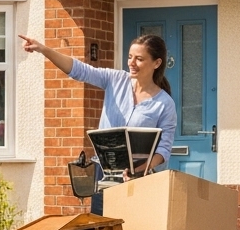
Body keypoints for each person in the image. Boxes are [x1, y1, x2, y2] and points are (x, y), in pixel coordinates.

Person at [18, 33, 177, 214]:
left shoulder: (165, 104)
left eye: (139, 59)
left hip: (138, 180)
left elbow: (164, 149)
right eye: (130, 57)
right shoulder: (115, 79)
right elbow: (79, 70)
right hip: (104, 174)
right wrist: (43, 49)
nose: (132, 63)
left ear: (156, 63)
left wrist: (139, 170)